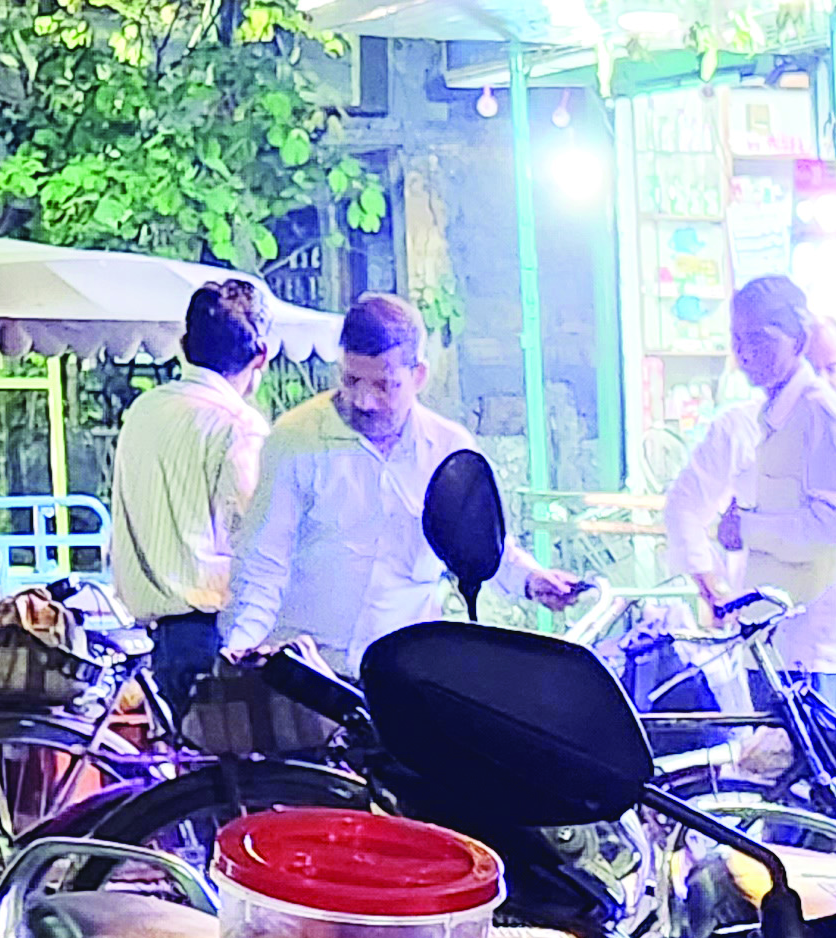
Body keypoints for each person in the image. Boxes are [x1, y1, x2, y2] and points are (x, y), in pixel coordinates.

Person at [222, 293, 585, 663]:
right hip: (310, 672)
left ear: (419, 376)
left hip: (404, 674)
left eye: (384, 385)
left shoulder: (449, 448)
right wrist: (239, 648)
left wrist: (532, 579)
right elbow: (262, 562)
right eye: (351, 380)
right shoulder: (295, 439)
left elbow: (477, 547)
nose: (364, 400)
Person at [655, 275, 836, 717]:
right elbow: (685, 505)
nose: (744, 354)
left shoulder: (821, 414)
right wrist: (712, 580)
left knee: (810, 779)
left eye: (758, 339)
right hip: (774, 638)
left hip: (811, 647)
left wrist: (748, 529)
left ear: (797, 338)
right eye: (738, 340)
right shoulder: (766, 416)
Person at [112, 278, 274, 713]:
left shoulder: (144, 410)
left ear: (184, 345)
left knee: (198, 775)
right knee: (254, 778)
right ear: (262, 356)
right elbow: (260, 536)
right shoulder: (239, 425)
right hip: (218, 633)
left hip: (161, 634)